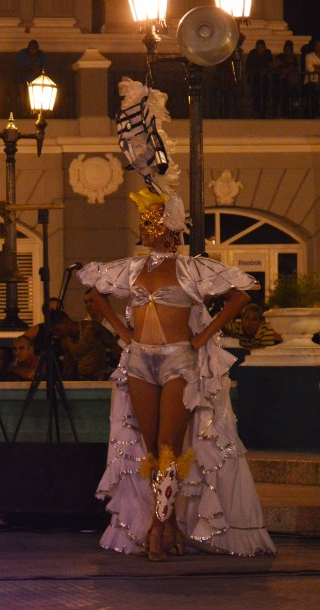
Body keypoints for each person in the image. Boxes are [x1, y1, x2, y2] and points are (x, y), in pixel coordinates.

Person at [79, 188, 275, 560]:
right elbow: (93, 293)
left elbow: (241, 296)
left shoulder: (192, 268)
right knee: (150, 448)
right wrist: (120, 331)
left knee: (169, 448)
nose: (143, 228)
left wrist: (203, 335)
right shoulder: (133, 268)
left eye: (150, 222)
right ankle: (167, 527)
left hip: (177, 361)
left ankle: (158, 527)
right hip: (139, 360)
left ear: (169, 228)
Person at [245, 40, 273, 118]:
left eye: (262, 47)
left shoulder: (268, 53)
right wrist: (257, 70)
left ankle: (264, 112)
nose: (260, 49)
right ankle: (256, 110)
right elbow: (248, 66)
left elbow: (270, 65)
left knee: (265, 95)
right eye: (258, 47)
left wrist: (266, 70)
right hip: (255, 79)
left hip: (265, 79)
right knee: (255, 95)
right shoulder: (252, 54)